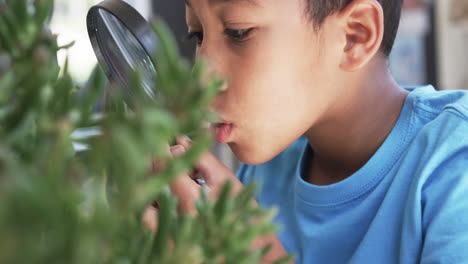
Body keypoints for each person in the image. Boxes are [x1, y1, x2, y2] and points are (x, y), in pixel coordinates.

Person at [144, 0, 468, 263]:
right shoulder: (266, 165)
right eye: (197, 34)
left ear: (354, 36)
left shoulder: (455, 163)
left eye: (238, 31)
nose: (201, 78)